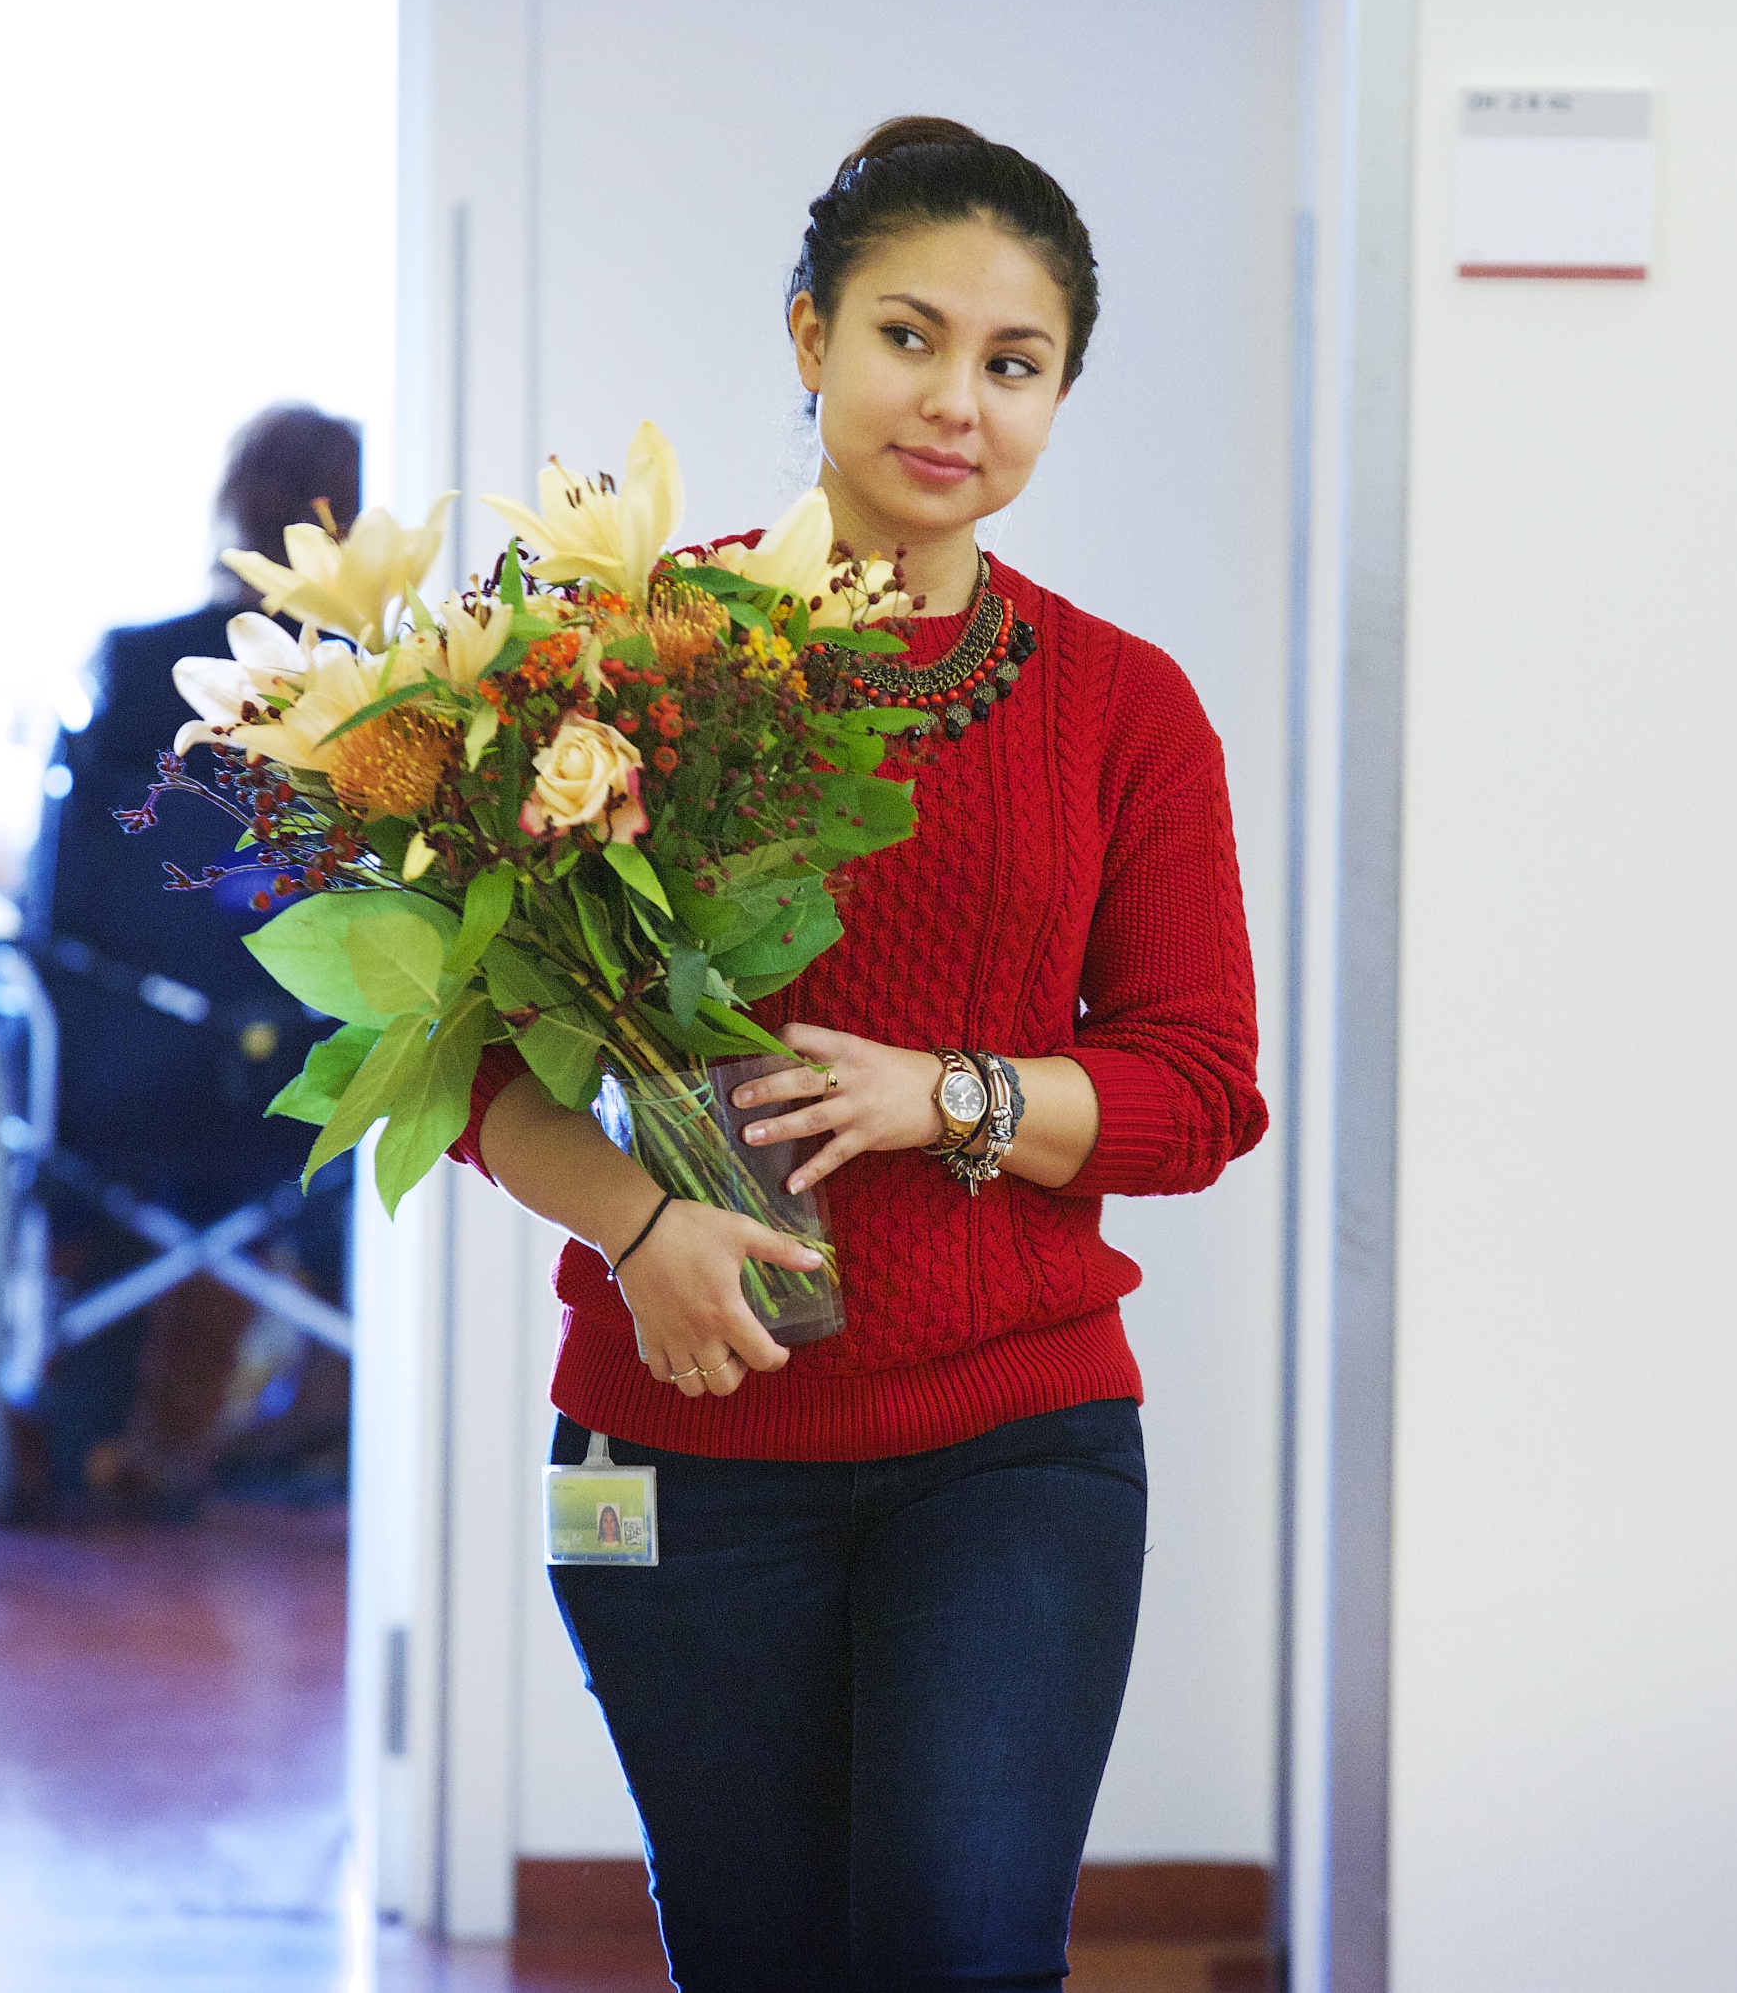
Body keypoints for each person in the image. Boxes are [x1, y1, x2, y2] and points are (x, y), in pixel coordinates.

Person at [448, 118, 1266, 1988]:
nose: (955, 402)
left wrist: (948, 1095)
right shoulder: (621, 653)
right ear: (807, 336)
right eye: (909, 336)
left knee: (961, 1950)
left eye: (1014, 363)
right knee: (757, 1958)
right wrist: (643, 1235)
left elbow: (1197, 1087)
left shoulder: (1123, 709)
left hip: (1011, 1435)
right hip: (681, 1434)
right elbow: (483, 1072)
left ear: (1056, 395)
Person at [20, 402, 365, 1515]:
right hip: (306, 1081)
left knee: (129, 1165)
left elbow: (59, 906)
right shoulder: (371, 689)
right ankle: (316, 1400)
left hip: (127, 1076)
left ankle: (102, 1428)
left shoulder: (129, 669)